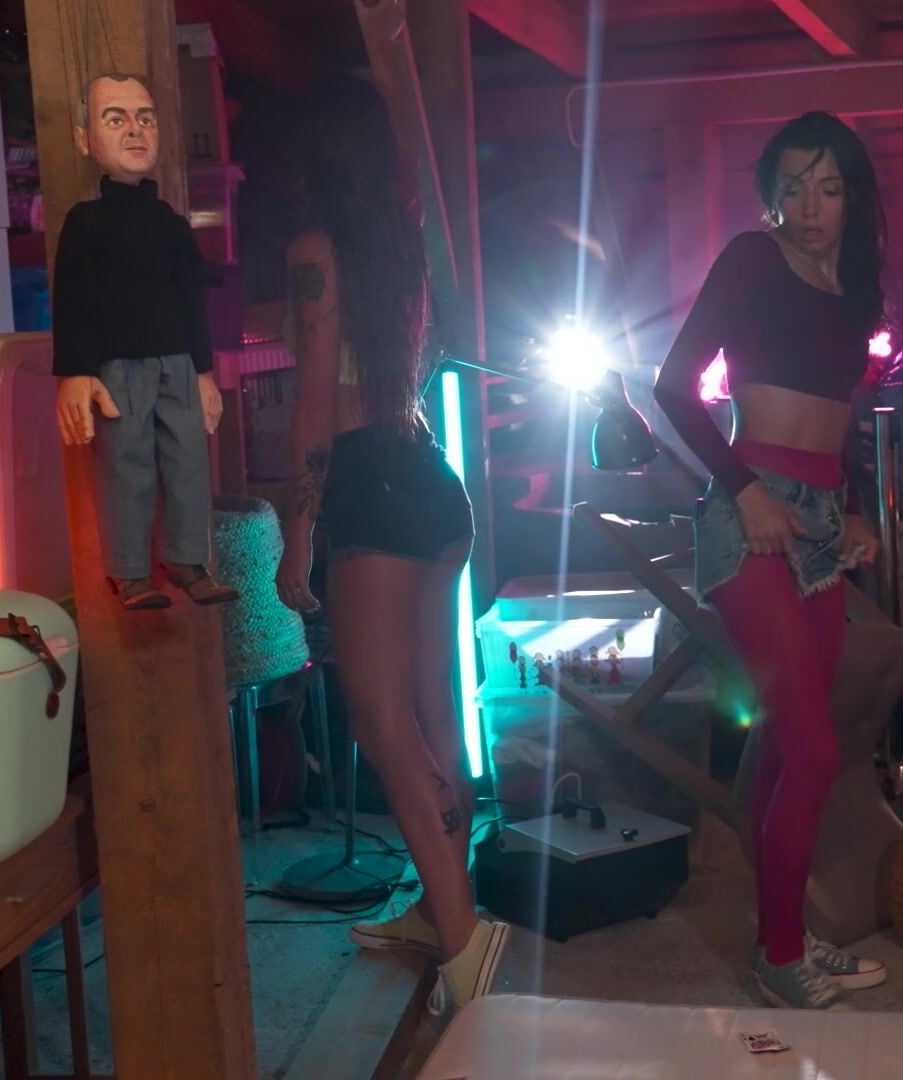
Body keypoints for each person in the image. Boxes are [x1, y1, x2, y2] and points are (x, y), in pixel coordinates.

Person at [273, 78, 507, 1011]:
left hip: (370, 489)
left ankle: (464, 949)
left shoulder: (315, 254)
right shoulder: (399, 248)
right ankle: (443, 906)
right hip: (432, 484)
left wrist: (296, 533)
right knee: (434, 715)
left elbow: (315, 405)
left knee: (381, 725)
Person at [653, 111, 892, 1010]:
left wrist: (855, 508)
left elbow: (844, 420)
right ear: (770, 196)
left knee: (795, 750)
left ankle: (778, 936)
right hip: (749, 514)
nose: (812, 206)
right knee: (816, 753)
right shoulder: (753, 259)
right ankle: (783, 959)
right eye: (793, 187)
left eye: (830, 187)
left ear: (853, 195)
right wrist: (744, 488)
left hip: (822, 520)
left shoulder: (854, 288)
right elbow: (672, 387)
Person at [52, 72, 237, 610]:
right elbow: (72, 298)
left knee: (188, 464)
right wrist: (77, 372)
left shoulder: (171, 223)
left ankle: (188, 558)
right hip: (119, 368)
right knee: (125, 466)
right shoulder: (85, 222)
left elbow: (193, 300)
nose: (134, 130)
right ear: (85, 138)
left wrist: (203, 372)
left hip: (177, 363)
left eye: (145, 119)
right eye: (116, 119)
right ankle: (129, 571)